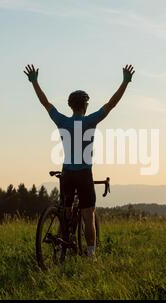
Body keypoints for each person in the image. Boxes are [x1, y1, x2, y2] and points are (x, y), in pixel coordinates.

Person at [24, 64, 135, 257]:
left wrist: (35, 82)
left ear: (70, 106)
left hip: (67, 172)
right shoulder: (89, 121)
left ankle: (60, 248)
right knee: (87, 214)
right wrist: (125, 82)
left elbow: (46, 103)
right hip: (84, 173)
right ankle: (90, 254)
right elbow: (111, 104)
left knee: (65, 213)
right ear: (85, 106)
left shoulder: (62, 121)